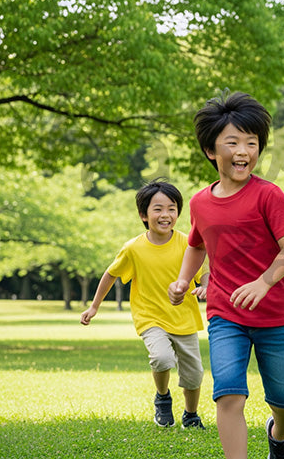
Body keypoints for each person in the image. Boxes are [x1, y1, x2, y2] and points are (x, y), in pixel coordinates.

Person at [168, 92, 284, 459]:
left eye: (251, 142)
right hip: (225, 313)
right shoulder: (199, 203)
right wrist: (184, 280)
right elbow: (197, 245)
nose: (244, 150)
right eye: (233, 142)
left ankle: (280, 434)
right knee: (228, 392)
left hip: (274, 313)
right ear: (212, 151)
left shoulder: (269, 196)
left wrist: (264, 282)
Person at [80, 179, 208, 430]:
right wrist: (94, 306)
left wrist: (205, 284)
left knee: (194, 374)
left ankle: (190, 415)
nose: (166, 215)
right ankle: (162, 397)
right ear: (143, 214)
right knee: (161, 358)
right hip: (150, 318)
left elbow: (204, 269)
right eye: (157, 209)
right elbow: (111, 274)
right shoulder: (133, 248)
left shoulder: (188, 244)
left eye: (172, 208)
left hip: (184, 318)